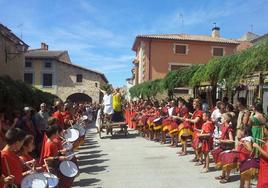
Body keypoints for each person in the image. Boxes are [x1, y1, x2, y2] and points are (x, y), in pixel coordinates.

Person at [185, 98, 203, 164]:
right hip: (195, 130)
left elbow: (196, 120)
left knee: (198, 146)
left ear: (198, 104)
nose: (193, 105)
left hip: (199, 130)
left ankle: (200, 160)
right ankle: (197, 157)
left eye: (194, 104)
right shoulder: (195, 112)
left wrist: (188, 120)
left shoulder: (200, 112)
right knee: (194, 145)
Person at [253, 123, 268, 188]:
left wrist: (258, 147)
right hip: (263, 165)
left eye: (264, 129)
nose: (263, 131)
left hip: (266, 167)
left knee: (264, 184)